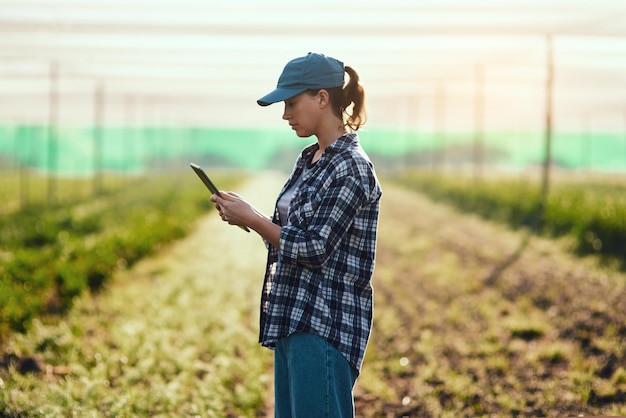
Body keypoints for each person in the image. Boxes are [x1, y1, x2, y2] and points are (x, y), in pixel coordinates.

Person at [210, 52, 382, 417]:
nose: (285, 114)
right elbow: (293, 236)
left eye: (291, 103)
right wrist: (246, 216)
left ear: (322, 98)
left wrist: (255, 218)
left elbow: (315, 248)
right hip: (293, 317)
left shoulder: (351, 167)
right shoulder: (310, 160)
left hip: (324, 324)